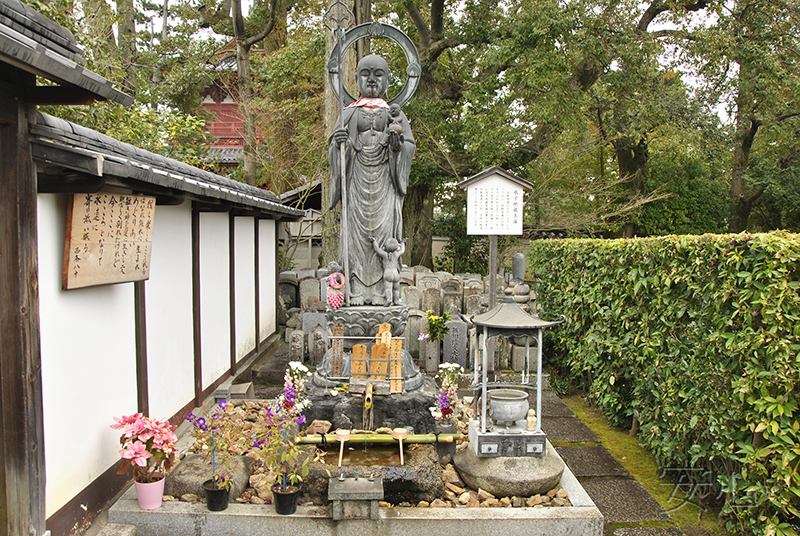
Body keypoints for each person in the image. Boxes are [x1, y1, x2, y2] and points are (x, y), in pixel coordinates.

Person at [329, 54, 415, 306]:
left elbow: (409, 146)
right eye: (365, 73)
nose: (372, 79)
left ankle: (381, 293)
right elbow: (334, 147)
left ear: (388, 80)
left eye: (379, 74)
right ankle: (354, 289)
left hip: (386, 184)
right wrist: (340, 143)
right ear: (356, 78)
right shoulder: (348, 112)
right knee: (356, 238)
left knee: (383, 235)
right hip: (356, 180)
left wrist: (397, 146)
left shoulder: (396, 114)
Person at [370, 236, 405, 305]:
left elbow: (377, 249)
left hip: (388, 272)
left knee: (388, 288)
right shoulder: (397, 254)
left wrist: (374, 241)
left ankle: (389, 299)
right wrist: (403, 243)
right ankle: (396, 301)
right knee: (396, 288)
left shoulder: (385, 255)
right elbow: (402, 250)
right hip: (395, 273)